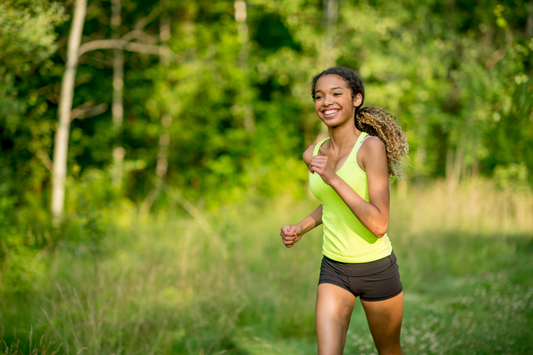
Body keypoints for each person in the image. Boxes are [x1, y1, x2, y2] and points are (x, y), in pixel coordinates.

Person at [280, 67, 408, 355]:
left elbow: (379, 224)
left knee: (390, 352)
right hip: (334, 269)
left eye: (337, 93)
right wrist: (301, 227)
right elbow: (332, 204)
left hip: (377, 269)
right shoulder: (313, 154)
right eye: (319, 96)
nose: (326, 101)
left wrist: (333, 178)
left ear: (356, 99)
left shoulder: (370, 148)